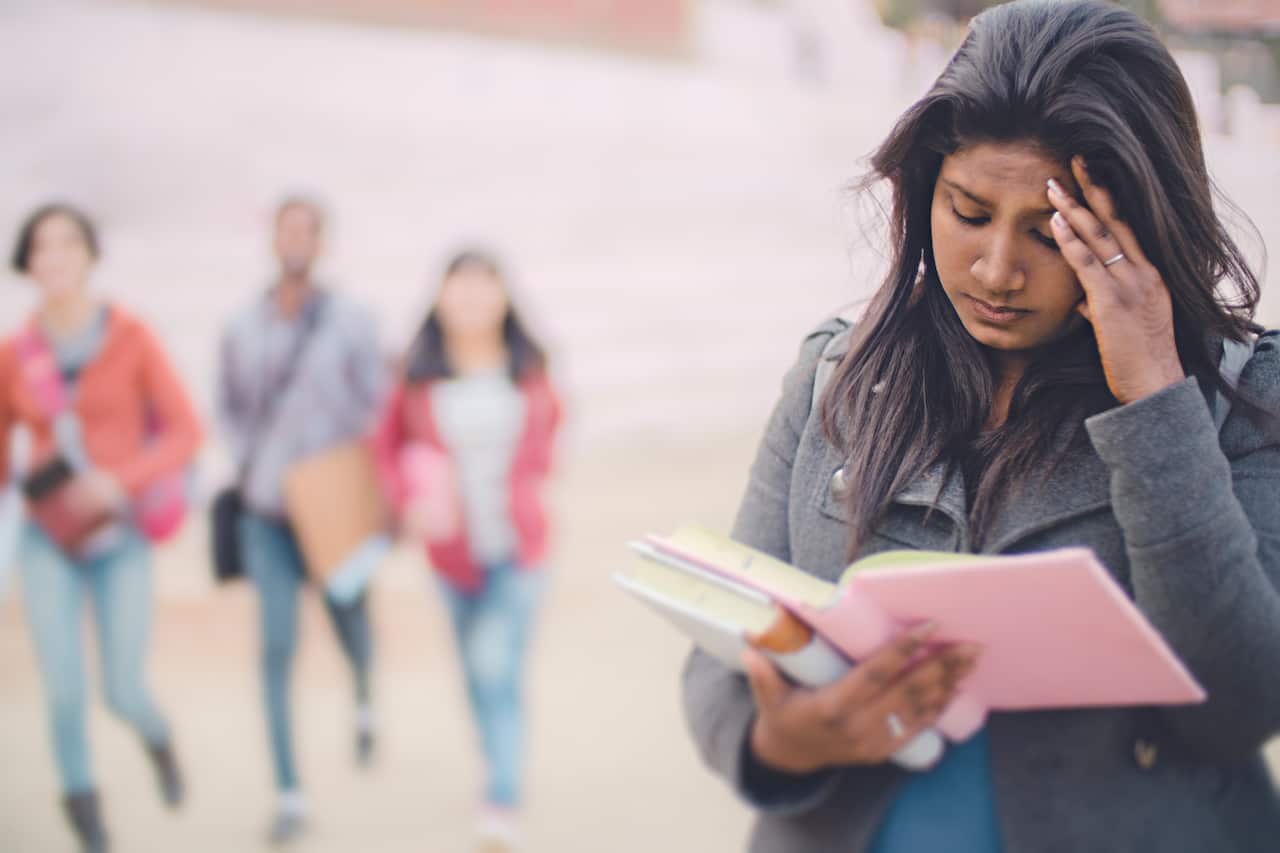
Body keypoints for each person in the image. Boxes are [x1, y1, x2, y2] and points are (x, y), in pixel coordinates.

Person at [681, 2, 1280, 850]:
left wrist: (1153, 393)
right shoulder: (837, 374)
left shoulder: (1244, 394)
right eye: (967, 213)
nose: (998, 271)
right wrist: (788, 737)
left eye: (1049, 233)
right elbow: (724, 653)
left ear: (1140, 225)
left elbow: (1242, 700)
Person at [0, 203, 202, 853]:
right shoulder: (13, 352)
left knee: (120, 686)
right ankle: (83, 805)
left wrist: (126, 477)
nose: (55, 256)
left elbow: (186, 431)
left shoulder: (132, 336)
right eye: (41, 245)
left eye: (68, 242)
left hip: (120, 537)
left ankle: (157, 737)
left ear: (91, 254)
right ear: (27, 262)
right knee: (62, 686)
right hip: (47, 537)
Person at [374, 250, 561, 850]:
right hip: (450, 555)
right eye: (461, 289)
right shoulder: (415, 372)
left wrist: (521, 482)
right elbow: (385, 448)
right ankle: (497, 763)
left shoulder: (528, 367)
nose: (472, 301)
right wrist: (410, 494)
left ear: (504, 298)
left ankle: (500, 796)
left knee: (494, 665)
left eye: (485, 289)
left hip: (519, 550)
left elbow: (549, 435)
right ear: (441, 297)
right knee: (475, 676)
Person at [217, 196, 387, 844]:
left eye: (306, 230)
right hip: (266, 510)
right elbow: (225, 405)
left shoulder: (353, 320)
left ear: (322, 242)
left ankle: (366, 696)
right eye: (285, 228)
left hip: (335, 503)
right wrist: (254, 463)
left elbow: (379, 401)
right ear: (272, 238)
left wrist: (354, 481)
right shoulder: (241, 323)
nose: (295, 239)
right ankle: (289, 791)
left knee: (349, 623)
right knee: (276, 645)